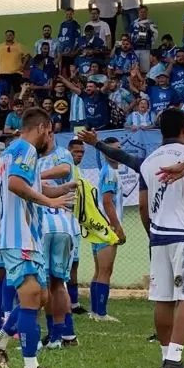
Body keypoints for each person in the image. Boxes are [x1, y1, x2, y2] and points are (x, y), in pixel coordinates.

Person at [0, 107, 73, 368]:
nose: (49, 138)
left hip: (25, 235)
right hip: (19, 235)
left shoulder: (8, 153)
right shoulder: (27, 149)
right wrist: (50, 201)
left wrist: (63, 190)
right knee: (32, 296)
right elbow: (14, 185)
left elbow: (16, 187)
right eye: (50, 132)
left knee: (41, 297)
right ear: (42, 128)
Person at [139, 108, 184, 368]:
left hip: (159, 236)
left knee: (163, 298)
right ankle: (174, 358)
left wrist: (151, 234)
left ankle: (165, 354)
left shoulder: (148, 161)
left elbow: (142, 205)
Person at [37, 129, 80, 348]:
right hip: (58, 226)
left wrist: (36, 177)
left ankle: (53, 335)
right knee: (57, 283)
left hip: (51, 225)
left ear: (50, 134)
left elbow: (65, 169)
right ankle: (64, 334)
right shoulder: (36, 157)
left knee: (45, 283)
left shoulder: (61, 153)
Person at [90, 137, 124, 322]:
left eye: (119, 148)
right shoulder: (110, 172)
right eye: (114, 149)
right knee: (105, 270)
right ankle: (101, 313)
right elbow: (107, 201)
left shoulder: (107, 170)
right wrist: (117, 226)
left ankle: (95, 311)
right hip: (107, 227)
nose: (118, 151)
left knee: (99, 270)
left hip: (99, 227)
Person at [66, 139, 88, 315]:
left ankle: (73, 302)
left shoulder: (78, 171)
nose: (79, 155)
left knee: (74, 262)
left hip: (74, 223)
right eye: (76, 152)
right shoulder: (65, 169)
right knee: (63, 264)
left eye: (82, 152)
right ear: (69, 151)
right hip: (63, 221)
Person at [0, 29, 30, 94]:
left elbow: (27, 55)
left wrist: (23, 65)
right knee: (4, 93)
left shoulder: (19, 45)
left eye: (10, 35)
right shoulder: (0, 46)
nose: (8, 36)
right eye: (7, 35)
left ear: (13, 36)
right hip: (3, 73)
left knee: (18, 92)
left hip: (16, 73)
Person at [129, 5, 159, 73]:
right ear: (138, 13)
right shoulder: (133, 23)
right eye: (141, 12)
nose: (142, 13)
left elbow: (155, 35)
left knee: (145, 70)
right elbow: (129, 34)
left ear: (147, 13)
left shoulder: (151, 23)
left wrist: (148, 30)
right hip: (134, 49)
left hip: (145, 49)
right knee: (134, 70)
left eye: (144, 12)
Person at [58, 8, 82, 73]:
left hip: (70, 53)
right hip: (62, 53)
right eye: (67, 14)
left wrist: (74, 51)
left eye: (70, 14)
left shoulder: (75, 24)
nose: (68, 15)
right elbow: (60, 37)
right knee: (59, 71)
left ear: (73, 14)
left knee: (69, 72)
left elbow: (78, 39)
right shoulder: (62, 24)